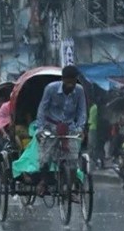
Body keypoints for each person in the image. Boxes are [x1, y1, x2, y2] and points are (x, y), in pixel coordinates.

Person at [36, 65, 87, 196]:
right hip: (51, 126)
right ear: (63, 79)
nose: (71, 85)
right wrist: (40, 129)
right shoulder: (51, 89)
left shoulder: (80, 91)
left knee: (73, 158)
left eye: (73, 81)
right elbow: (42, 109)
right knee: (45, 157)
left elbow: (82, 112)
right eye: (68, 81)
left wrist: (81, 128)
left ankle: (70, 185)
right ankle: (44, 181)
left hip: (70, 127)